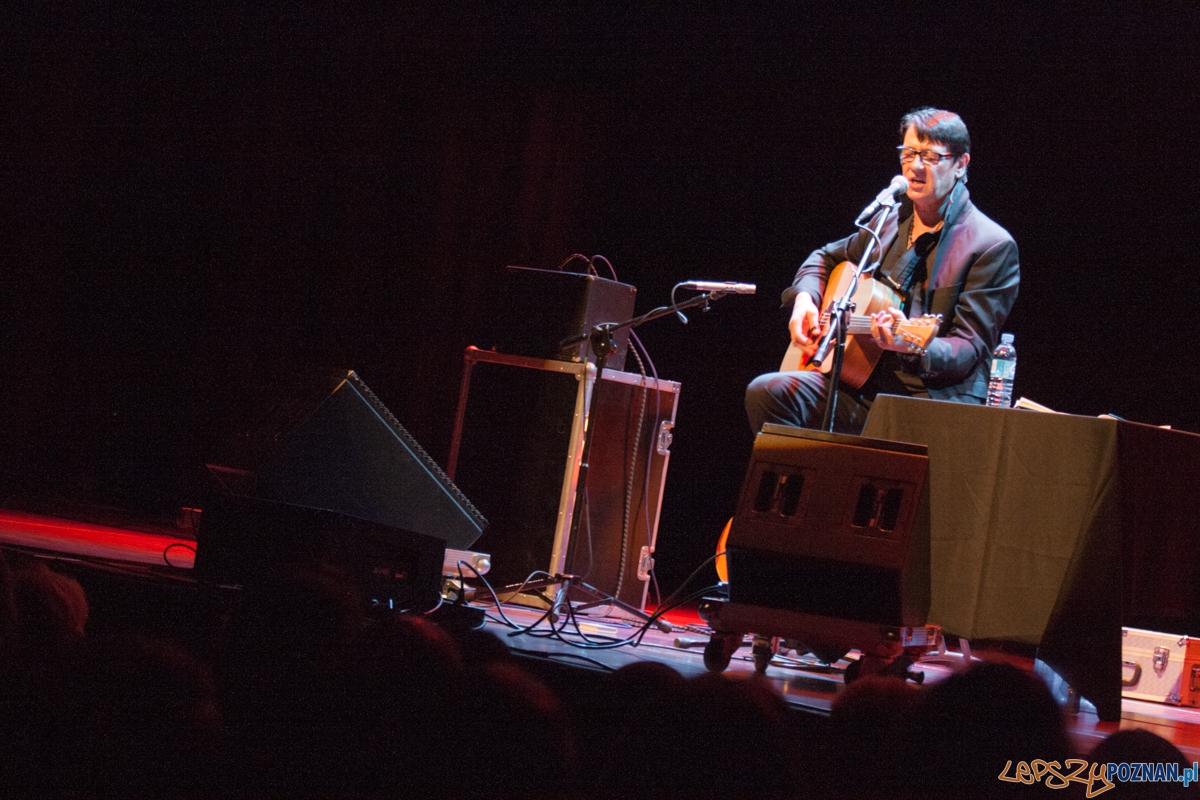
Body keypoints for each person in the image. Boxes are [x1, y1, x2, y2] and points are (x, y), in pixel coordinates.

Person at [746, 108, 1019, 434]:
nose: (915, 165)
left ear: (960, 164)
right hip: (861, 383)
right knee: (768, 393)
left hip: (927, 399)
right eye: (909, 153)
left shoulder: (990, 245)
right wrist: (805, 300)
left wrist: (912, 344)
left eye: (931, 156)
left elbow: (968, 349)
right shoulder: (887, 222)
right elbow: (824, 257)